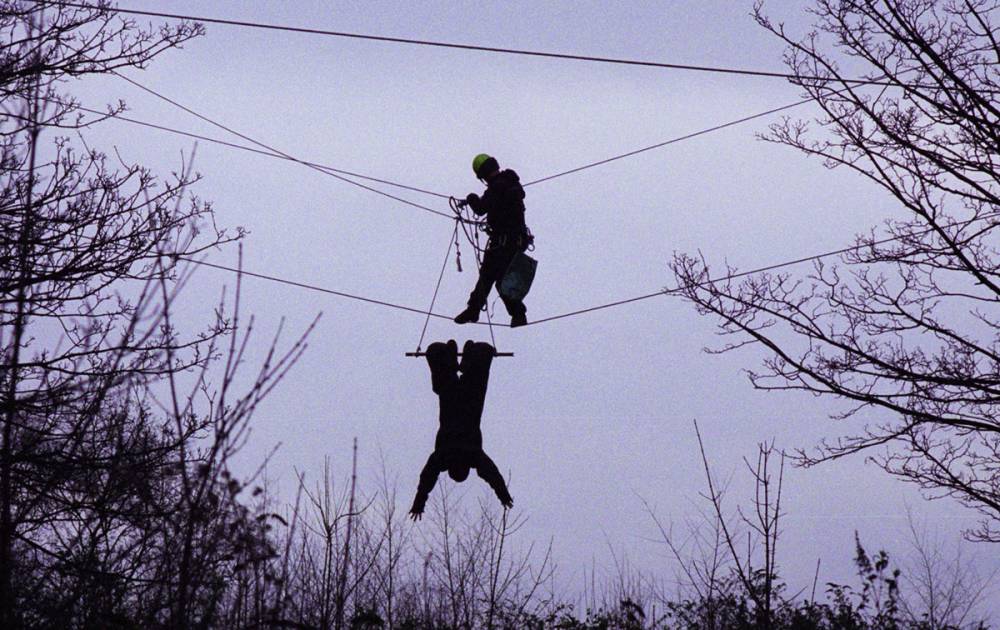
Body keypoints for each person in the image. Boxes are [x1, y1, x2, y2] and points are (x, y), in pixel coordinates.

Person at [409, 339, 513, 520]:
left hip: (471, 403)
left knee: (483, 353)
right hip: (451, 402)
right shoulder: (447, 456)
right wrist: (419, 502)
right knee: (436, 353)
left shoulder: (471, 456)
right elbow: (427, 477)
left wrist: (503, 495)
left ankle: (467, 355)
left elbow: (492, 475)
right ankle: (451, 357)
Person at [454, 154, 532, 328]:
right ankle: (511, 314)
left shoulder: (497, 187)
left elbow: (481, 208)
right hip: (514, 241)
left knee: (490, 277)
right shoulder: (511, 184)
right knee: (494, 279)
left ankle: (513, 313)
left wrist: (471, 198)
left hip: (503, 243)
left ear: (482, 175)